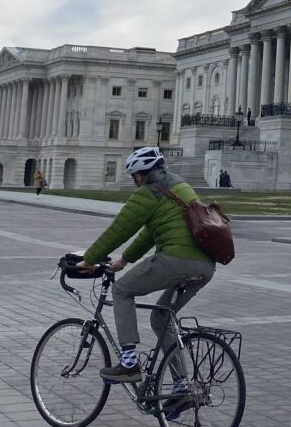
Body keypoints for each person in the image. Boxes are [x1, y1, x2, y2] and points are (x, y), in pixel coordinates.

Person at [76, 146, 217, 387]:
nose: (135, 183)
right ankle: (182, 386)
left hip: (176, 261)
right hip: (204, 266)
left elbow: (120, 229)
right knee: (161, 317)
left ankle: (129, 364)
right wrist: (124, 260)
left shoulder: (149, 192)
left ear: (139, 175)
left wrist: (89, 259)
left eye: (134, 178)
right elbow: (150, 233)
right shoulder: (179, 187)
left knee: (122, 290)